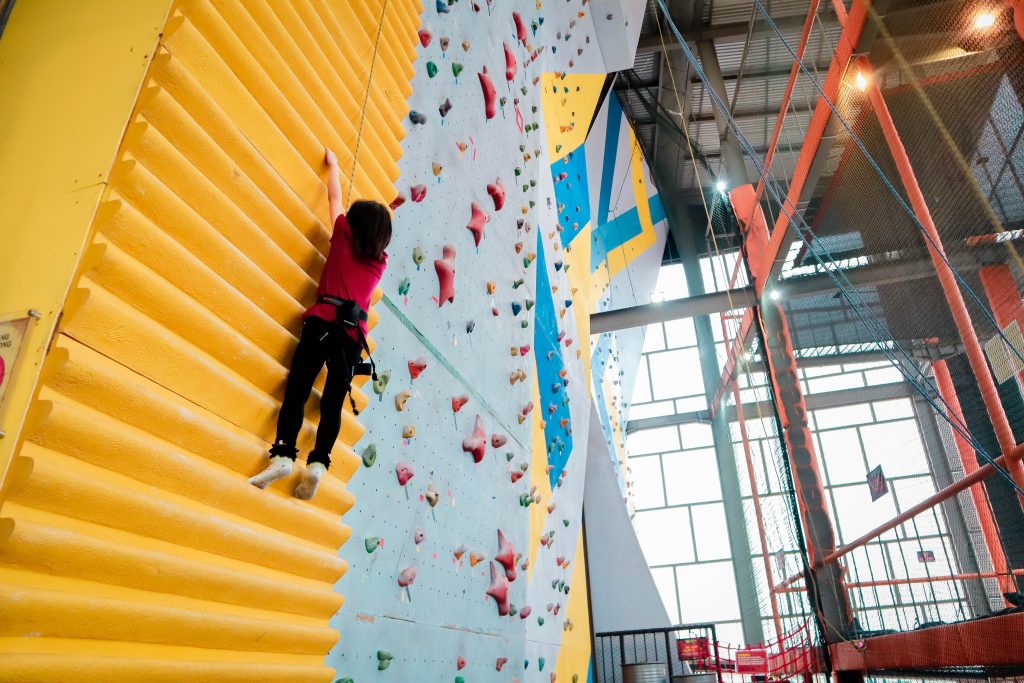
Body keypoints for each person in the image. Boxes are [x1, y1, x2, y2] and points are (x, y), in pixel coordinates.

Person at [249, 147, 391, 500]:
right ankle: (318, 463)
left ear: (355, 226)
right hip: (352, 335)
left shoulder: (343, 233)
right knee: (331, 403)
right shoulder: (379, 264)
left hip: (323, 322)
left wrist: (334, 165)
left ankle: (283, 453)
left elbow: (334, 195)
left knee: (298, 388)